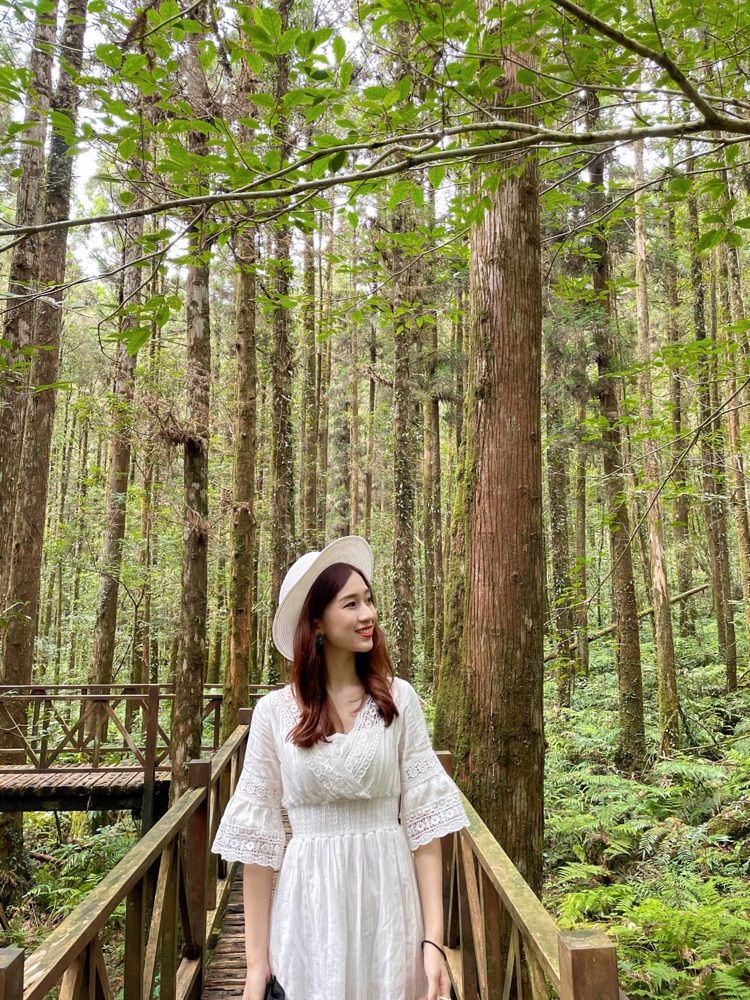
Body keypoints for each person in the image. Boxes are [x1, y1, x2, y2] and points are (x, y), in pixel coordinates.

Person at [211, 535, 470, 1000]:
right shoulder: (274, 713)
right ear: (317, 622)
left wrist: (434, 941)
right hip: (308, 907)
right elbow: (258, 847)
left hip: (389, 901)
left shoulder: (399, 699)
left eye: (369, 600)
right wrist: (254, 967)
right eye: (351, 604)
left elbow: (425, 830)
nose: (368, 614)